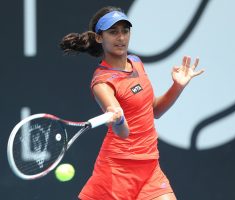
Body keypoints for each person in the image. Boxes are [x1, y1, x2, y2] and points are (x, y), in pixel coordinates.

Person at [60, 6, 204, 200]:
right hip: (117, 170)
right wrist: (118, 119)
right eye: (113, 32)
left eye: (125, 31)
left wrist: (177, 86)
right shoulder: (102, 82)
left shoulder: (136, 62)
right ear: (99, 37)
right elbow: (123, 132)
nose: (121, 38)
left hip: (150, 166)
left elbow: (155, 110)